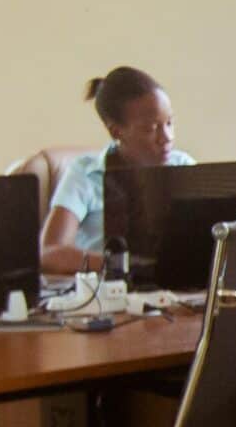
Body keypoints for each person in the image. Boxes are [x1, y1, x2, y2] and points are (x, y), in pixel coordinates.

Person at [39, 66, 195, 275]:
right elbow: (50, 252)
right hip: (108, 291)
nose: (166, 137)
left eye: (169, 123)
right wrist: (121, 266)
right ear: (116, 131)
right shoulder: (86, 173)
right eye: (152, 128)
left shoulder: (183, 165)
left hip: (178, 286)